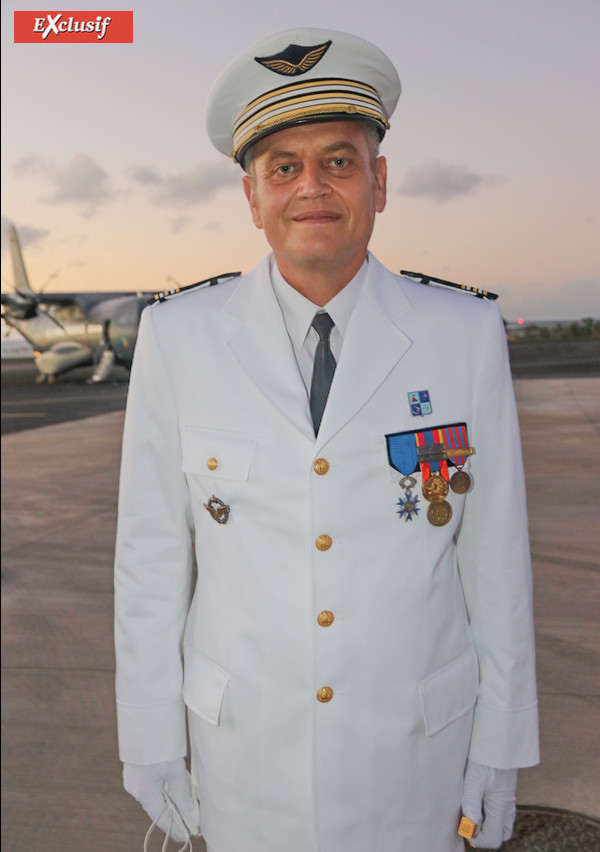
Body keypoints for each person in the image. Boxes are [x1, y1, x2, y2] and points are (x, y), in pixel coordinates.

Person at [114, 27, 539, 852]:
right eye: (283, 166)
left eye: (338, 161)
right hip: (243, 759)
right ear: (251, 197)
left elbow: (495, 556)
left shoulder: (464, 332)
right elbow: (151, 557)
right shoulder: (179, 336)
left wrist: (502, 745)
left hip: (415, 756)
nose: (312, 186)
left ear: (379, 182)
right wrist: (149, 735)